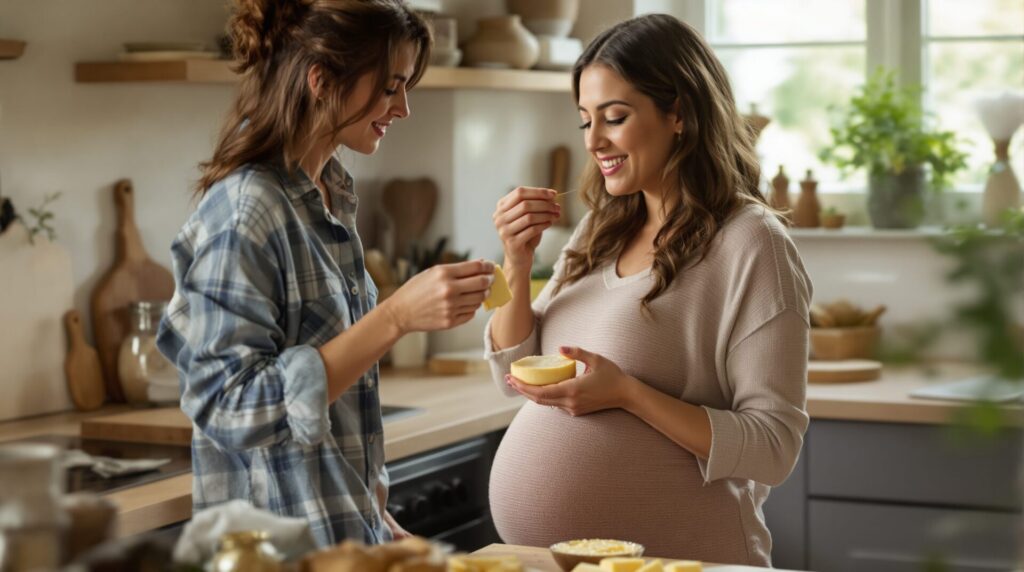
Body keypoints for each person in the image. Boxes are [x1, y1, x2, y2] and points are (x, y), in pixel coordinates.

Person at [157, 0, 496, 547]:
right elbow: (229, 407)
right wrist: (394, 318)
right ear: (322, 80)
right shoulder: (247, 211)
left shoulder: (327, 198)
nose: (404, 107)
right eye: (390, 87)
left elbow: (327, 423)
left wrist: (374, 522)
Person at [485, 14, 812, 566]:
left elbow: (773, 447)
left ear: (678, 112)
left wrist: (629, 395)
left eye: (614, 117)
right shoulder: (601, 228)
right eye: (585, 121)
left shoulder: (752, 242)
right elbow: (511, 374)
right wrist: (515, 264)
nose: (595, 141)